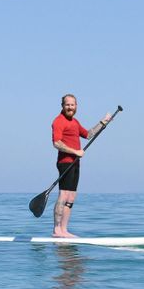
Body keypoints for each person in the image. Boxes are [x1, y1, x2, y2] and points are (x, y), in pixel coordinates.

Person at [51, 94, 111, 238]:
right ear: (62, 106)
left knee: (71, 197)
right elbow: (56, 143)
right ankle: (57, 230)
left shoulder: (75, 122)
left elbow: (88, 134)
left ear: (76, 106)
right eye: (67, 105)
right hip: (65, 162)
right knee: (64, 194)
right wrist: (75, 151)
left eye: (72, 105)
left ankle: (64, 230)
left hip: (76, 162)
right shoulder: (58, 121)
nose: (70, 107)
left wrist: (103, 122)